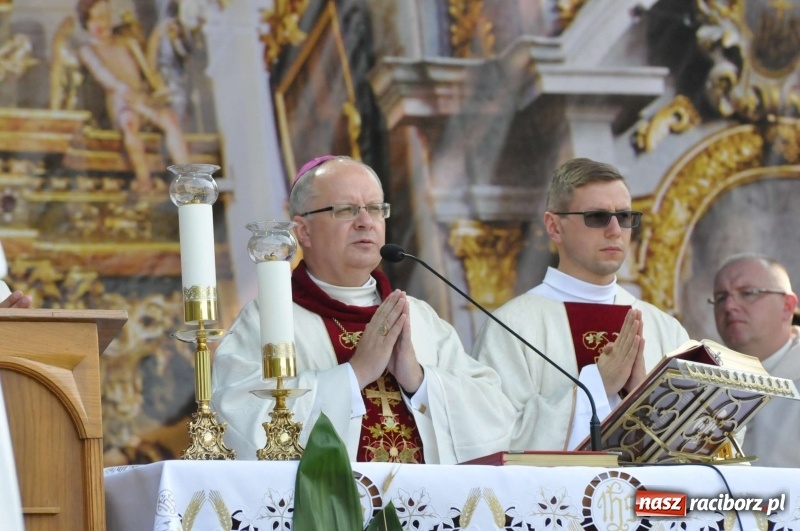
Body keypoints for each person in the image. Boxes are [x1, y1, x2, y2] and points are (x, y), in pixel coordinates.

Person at [211, 155, 514, 463]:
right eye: (345, 210)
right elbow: (239, 423)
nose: (365, 221)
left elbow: (497, 417)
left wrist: (420, 380)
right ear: (303, 231)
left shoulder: (419, 318)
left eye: (375, 208)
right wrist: (354, 375)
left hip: (425, 505)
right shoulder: (267, 320)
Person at [472, 157, 689, 451]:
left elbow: (694, 442)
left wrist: (643, 397)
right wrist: (598, 386)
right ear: (554, 227)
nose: (615, 230)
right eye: (597, 217)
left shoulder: (665, 329)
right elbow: (493, 441)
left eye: (624, 217)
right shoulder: (512, 327)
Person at [76, 0, 190, 193]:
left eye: (104, 17)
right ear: (86, 22)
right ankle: (144, 180)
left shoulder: (125, 42)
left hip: (142, 98)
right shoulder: (88, 50)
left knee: (169, 119)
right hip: (121, 103)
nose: (100, 24)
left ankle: (188, 176)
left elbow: (148, 65)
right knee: (130, 123)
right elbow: (104, 76)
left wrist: (159, 32)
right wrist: (127, 93)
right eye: (94, 18)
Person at [711, 253, 800, 467]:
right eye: (721, 297)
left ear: (787, 306)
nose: (729, 306)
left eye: (748, 293)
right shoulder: (702, 382)